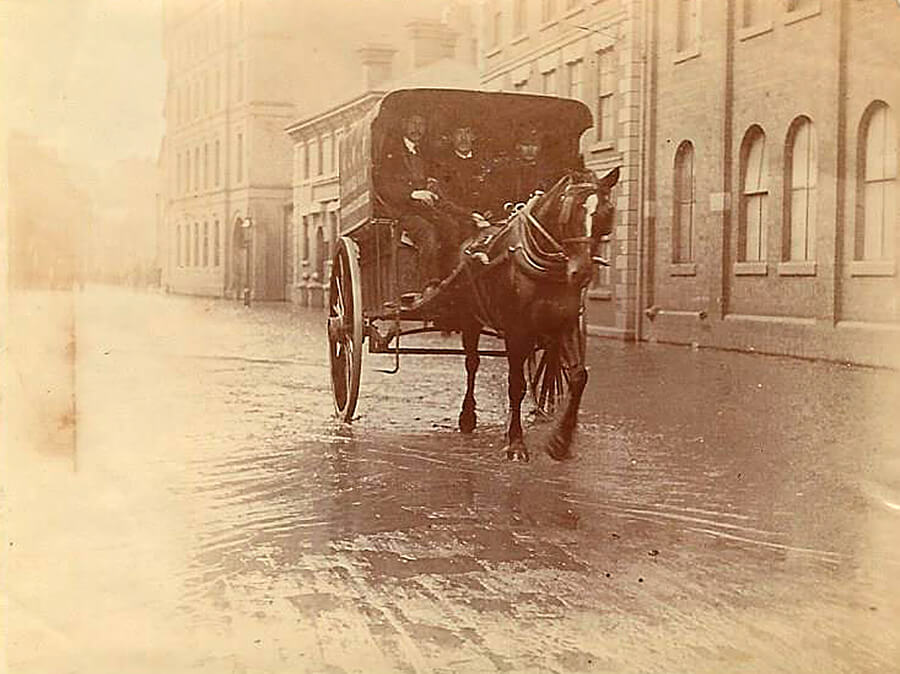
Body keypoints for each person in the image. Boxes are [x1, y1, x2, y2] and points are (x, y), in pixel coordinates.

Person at [376, 113, 451, 288]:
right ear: (404, 125)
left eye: (421, 125)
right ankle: (428, 283)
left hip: (424, 210)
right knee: (427, 231)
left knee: (451, 226)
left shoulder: (422, 153)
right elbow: (384, 185)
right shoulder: (391, 153)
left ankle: (449, 276)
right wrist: (412, 193)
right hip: (400, 211)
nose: (417, 129)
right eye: (413, 123)